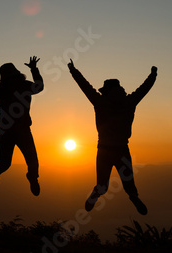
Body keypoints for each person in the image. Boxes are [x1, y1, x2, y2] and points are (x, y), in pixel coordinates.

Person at [67, 59, 157, 215]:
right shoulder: (129, 101)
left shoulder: (100, 101)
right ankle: (133, 196)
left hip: (104, 149)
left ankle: (96, 193)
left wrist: (73, 70)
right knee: (128, 183)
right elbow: (144, 89)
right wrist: (153, 75)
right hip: (122, 148)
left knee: (102, 184)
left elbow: (85, 87)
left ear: (106, 91)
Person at [0, 56, 43, 196]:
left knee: (5, 163)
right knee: (32, 161)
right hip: (22, 131)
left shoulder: (0, 87)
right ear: (17, 73)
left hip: (7, 131)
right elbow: (39, 86)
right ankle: (32, 177)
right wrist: (34, 69)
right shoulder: (25, 85)